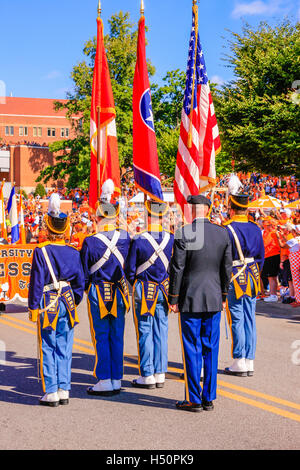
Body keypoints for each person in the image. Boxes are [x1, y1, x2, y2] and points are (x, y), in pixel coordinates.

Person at [168, 195, 232, 412]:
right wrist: (224, 295)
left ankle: (194, 398)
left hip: (190, 297)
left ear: (192, 211)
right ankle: (209, 397)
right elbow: (227, 268)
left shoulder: (184, 232)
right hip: (214, 296)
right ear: (209, 209)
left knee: (192, 348)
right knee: (211, 349)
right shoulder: (222, 232)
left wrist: (173, 298)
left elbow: (177, 268)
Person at [28, 193, 85, 407]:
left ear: (49, 227)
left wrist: (34, 306)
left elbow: (36, 281)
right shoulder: (73, 252)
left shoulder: (41, 251)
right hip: (68, 300)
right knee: (65, 344)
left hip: (48, 300)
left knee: (47, 344)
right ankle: (64, 388)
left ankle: (51, 390)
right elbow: (80, 282)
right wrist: (74, 299)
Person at [80, 200, 131, 396]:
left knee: (101, 336)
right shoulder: (126, 238)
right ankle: (117, 378)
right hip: (119, 291)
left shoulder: (91, 241)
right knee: (117, 335)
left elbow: (84, 272)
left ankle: (104, 379)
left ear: (99, 218)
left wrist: (86, 289)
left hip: (99, 291)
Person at [125, 200, 174, 389]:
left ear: (148, 215)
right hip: (164, 287)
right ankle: (160, 371)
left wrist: (134, 282)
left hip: (145, 288)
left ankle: (147, 373)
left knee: (145, 331)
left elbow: (130, 268)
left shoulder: (139, 239)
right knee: (161, 330)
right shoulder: (171, 238)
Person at [223, 193, 265, 377]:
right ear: (246, 209)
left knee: (236, 317)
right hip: (253, 275)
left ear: (232, 209)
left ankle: (239, 359)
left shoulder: (227, 229)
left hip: (235, 274)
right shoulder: (256, 228)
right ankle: (250, 360)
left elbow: (224, 259)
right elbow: (261, 257)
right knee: (250, 318)